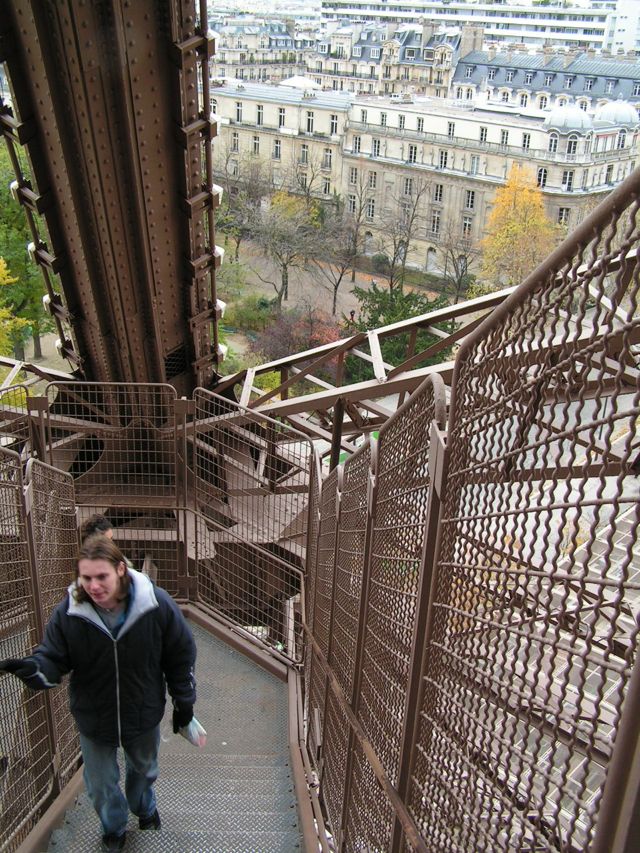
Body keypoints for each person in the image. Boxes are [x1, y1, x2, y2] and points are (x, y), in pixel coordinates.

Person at [0, 535, 197, 852]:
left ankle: (144, 808)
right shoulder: (70, 612)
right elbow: (54, 657)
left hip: (142, 711)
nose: (93, 586)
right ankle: (114, 828)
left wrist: (184, 702)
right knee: (101, 785)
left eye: (101, 576)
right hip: (94, 715)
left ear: (120, 569)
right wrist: (37, 670)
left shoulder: (156, 605)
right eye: (86, 577)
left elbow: (180, 654)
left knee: (144, 772)